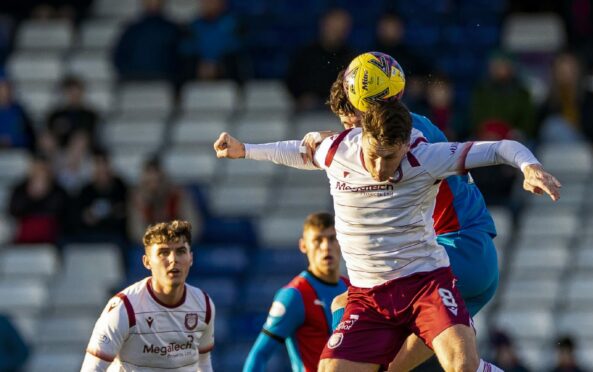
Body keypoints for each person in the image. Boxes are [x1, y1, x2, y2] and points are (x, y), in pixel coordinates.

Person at [214, 101, 560, 371]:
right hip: (371, 297)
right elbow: (300, 151)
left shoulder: (425, 156)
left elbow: (500, 148)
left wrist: (529, 167)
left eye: (391, 158)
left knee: (461, 364)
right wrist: (245, 149)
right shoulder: (338, 149)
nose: (381, 168)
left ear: (405, 145)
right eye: (375, 156)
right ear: (361, 138)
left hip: (426, 281)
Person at [323, 70, 500, 370]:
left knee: (346, 305)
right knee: (395, 367)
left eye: (350, 123)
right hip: (475, 258)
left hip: (456, 248)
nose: (350, 135)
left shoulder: (403, 135)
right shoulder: (408, 127)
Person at [81, 220, 215, 371]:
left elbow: (203, 363)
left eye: (180, 251)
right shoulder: (124, 308)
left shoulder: (203, 304)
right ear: (147, 261)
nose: (173, 259)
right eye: (164, 252)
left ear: (191, 258)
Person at [243, 212, 349, 371]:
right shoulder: (294, 295)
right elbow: (259, 354)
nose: (326, 246)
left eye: (332, 238)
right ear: (303, 246)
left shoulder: (351, 289)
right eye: (318, 240)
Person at [285, 8, 356, 111]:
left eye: (341, 27)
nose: (337, 30)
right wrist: (301, 97)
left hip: (339, 112)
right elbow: (292, 80)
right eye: (333, 25)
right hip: (307, 112)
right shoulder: (305, 54)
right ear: (323, 24)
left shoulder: (352, 58)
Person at [537, 51, 593, 149]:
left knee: (554, 126)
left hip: (583, 144)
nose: (566, 75)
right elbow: (540, 130)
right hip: (555, 146)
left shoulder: (589, 97)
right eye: (562, 71)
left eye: (569, 70)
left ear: (577, 72)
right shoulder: (550, 100)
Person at [129, 156, 202, 243]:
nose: (154, 187)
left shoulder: (179, 196)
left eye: (158, 181)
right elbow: (137, 233)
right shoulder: (137, 200)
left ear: (165, 180)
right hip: (151, 247)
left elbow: (194, 228)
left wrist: (175, 240)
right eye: (148, 183)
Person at [470, 50, 536, 141]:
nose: (498, 68)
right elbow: (475, 118)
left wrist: (514, 133)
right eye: (495, 65)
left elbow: (528, 123)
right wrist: (486, 132)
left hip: (513, 139)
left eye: (502, 64)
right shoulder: (481, 91)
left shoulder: (522, 94)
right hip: (485, 136)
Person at [112, 0, 181, 82]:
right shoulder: (132, 30)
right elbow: (119, 57)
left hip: (164, 80)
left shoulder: (173, 29)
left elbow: (180, 60)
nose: (152, 2)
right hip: (133, 80)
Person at [8, 154, 69, 244]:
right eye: (37, 168)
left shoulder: (58, 190)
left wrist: (44, 194)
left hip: (52, 238)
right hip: (25, 236)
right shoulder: (20, 188)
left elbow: (60, 212)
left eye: (42, 168)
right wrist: (31, 195)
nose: (39, 171)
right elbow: (14, 210)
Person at [73, 149, 128, 243]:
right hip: (90, 235)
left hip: (114, 235)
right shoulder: (85, 191)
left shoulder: (120, 187)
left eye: (104, 164)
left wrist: (113, 213)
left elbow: (124, 212)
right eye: (98, 165)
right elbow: (81, 218)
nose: (102, 169)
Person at [46, 76, 99, 151]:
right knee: (47, 139)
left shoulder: (89, 115)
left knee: (80, 140)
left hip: (84, 154)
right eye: (71, 92)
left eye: (76, 92)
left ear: (82, 93)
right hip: (59, 151)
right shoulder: (56, 114)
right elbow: (51, 131)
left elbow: (89, 135)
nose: (74, 96)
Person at [0, 74, 35, 152]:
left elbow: (28, 137)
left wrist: (11, 141)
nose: (5, 92)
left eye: (7, 88)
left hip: (16, 152)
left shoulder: (19, 111)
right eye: (1, 88)